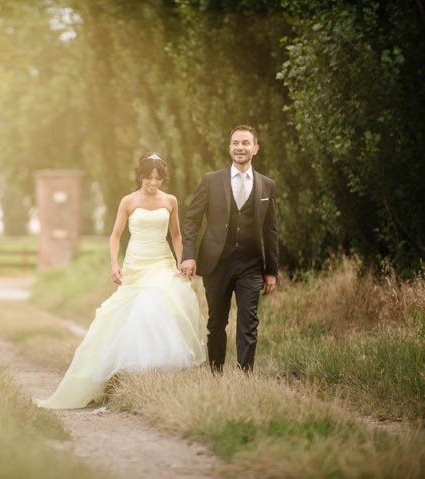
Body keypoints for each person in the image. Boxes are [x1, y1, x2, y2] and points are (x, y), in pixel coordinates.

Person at [38, 153, 206, 410]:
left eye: (158, 179)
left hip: (161, 262)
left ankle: (156, 371)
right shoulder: (128, 201)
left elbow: (176, 235)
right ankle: (127, 371)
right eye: (149, 178)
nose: (153, 183)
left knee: (158, 306)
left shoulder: (170, 201)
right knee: (129, 314)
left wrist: (182, 261)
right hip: (135, 265)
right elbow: (115, 236)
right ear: (140, 176)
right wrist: (115, 264)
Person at [180, 125, 278, 373]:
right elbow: (191, 220)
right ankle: (216, 374)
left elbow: (270, 231)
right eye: (235, 143)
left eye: (245, 143)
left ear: (255, 148)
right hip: (216, 263)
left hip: (251, 264)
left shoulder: (267, 185)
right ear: (229, 147)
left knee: (249, 321)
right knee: (216, 322)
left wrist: (271, 271)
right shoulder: (211, 181)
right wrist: (188, 256)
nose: (240, 147)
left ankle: (245, 375)